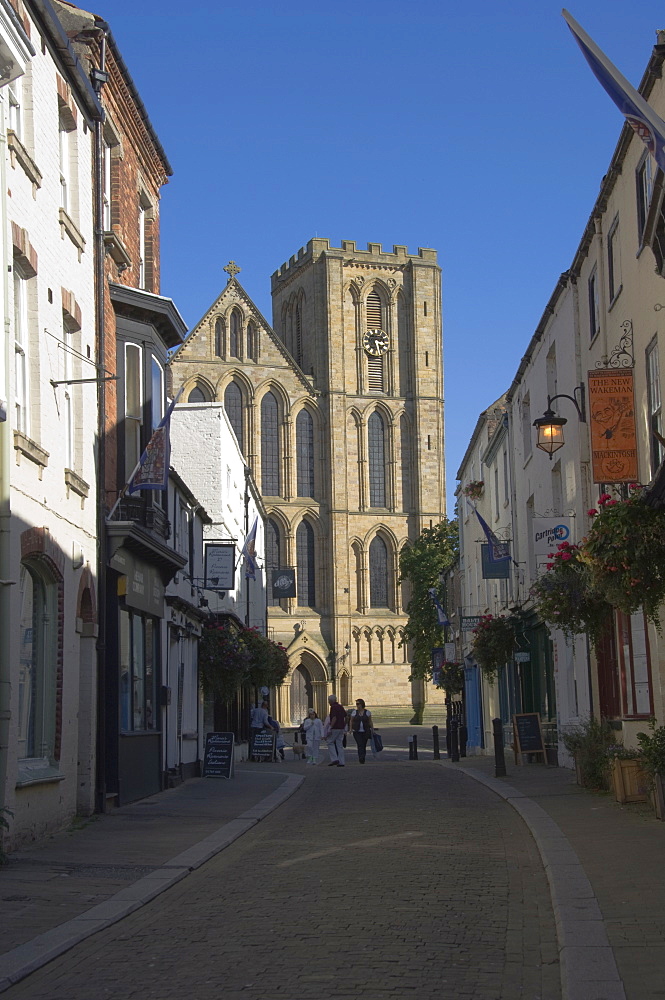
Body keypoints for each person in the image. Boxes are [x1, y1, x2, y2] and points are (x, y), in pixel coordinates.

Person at [325, 693, 347, 767]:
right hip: (341, 727)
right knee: (339, 744)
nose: (328, 702)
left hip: (335, 727)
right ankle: (342, 762)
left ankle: (334, 759)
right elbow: (345, 716)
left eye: (329, 700)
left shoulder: (333, 707)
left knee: (330, 742)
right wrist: (345, 725)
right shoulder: (340, 706)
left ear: (331, 701)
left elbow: (334, 718)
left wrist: (330, 727)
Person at [349, 698, 373, 763]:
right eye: (356, 704)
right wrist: (350, 729)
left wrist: (372, 729)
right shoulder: (354, 712)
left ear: (362, 704)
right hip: (357, 731)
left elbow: (370, 721)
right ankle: (361, 757)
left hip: (365, 731)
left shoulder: (367, 712)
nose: (357, 705)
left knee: (364, 745)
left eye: (358, 704)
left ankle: (363, 756)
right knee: (360, 744)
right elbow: (351, 721)